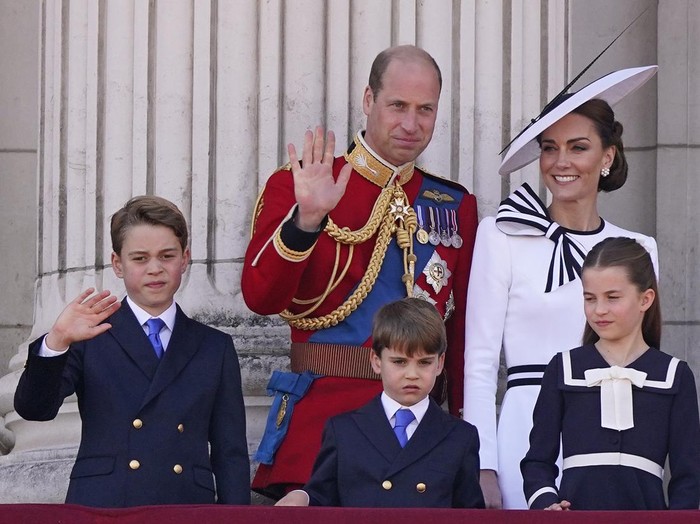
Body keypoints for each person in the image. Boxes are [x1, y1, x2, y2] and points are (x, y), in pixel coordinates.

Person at [242, 45, 478, 498]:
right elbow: (260, 297)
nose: (411, 124)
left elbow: (461, 329)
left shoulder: (453, 205)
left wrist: (461, 424)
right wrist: (306, 220)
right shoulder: (303, 182)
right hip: (320, 433)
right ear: (369, 100)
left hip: (419, 440)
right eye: (398, 106)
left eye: (425, 109)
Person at [462, 66, 660, 509]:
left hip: (613, 433)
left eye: (578, 147)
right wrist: (482, 464)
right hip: (523, 432)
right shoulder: (501, 235)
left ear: (607, 157)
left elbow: (644, 366)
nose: (561, 162)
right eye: (549, 148)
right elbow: (477, 362)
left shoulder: (638, 250)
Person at [14, 195, 250, 507]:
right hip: (104, 504)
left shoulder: (214, 346)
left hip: (185, 505)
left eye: (167, 256)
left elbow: (230, 450)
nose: (155, 269)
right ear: (118, 264)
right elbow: (34, 409)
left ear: (185, 258)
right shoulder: (89, 334)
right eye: (140, 258)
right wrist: (56, 340)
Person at [521, 237, 700, 510]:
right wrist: (547, 503)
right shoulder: (563, 368)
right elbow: (537, 461)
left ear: (645, 299)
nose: (599, 310)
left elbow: (688, 476)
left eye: (612, 298)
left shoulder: (675, 375)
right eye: (589, 298)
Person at [275, 298, 484, 508]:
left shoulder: (461, 437)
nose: (412, 374)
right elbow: (322, 497)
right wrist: (304, 497)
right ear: (376, 361)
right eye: (399, 362)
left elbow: (470, 513)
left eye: (424, 362)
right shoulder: (344, 431)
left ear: (439, 364)